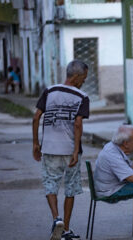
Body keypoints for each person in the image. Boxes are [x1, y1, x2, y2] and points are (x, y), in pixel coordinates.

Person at [32, 60, 90, 240]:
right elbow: (78, 124)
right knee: (70, 189)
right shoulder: (82, 96)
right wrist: (74, 151)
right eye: (84, 78)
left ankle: (57, 219)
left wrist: (36, 143)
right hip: (70, 149)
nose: (84, 82)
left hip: (49, 147)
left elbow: (36, 118)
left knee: (51, 184)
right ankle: (65, 229)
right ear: (76, 77)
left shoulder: (49, 91)